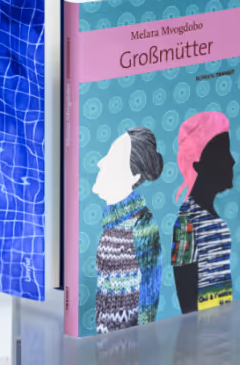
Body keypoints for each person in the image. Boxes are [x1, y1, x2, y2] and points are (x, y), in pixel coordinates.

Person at [93, 127, 163, 334]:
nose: (101, 163)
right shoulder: (111, 221)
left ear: (134, 177)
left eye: (112, 159)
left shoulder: (142, 223)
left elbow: (150, 292)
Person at [171, 112, 235, 313]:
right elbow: (186, 298)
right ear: (199, 164)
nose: (232, 161)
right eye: (223, 153)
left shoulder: (212, 216)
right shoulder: (186, 222)